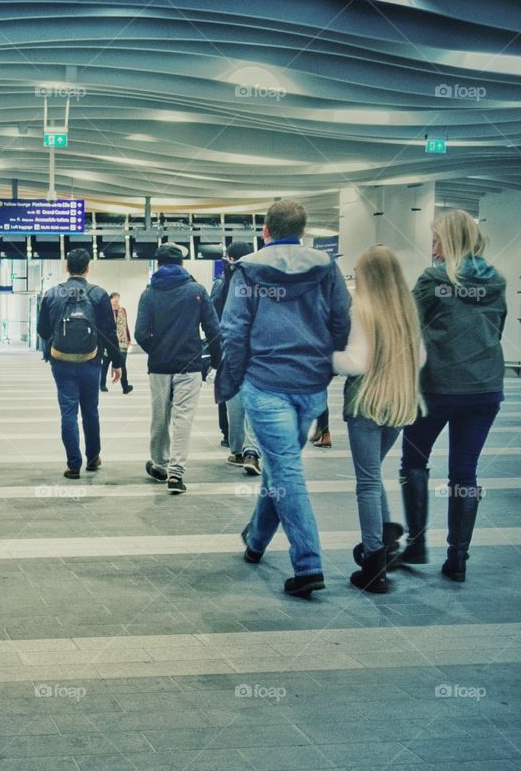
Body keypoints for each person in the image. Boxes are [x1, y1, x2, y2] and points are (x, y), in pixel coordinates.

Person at [216, 199, 351, 599]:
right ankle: (256, 540)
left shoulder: (248, 268)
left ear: (266, 230)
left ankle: (308, 564)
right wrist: (325, 364)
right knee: (280, 467)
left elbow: (234, 328)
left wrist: (234, 380)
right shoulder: (326, 267)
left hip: (267, 384)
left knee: (287, 472)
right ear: (304, 230)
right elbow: (342, 320)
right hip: (311, 387)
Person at [398, 209, 507, 582]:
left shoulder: (433, 278)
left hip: (438, 388)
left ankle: (415, 543)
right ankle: (457, 556)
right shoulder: (496, 281)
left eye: (436, 240)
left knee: (413, 460)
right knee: (465, 472)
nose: (433, 247)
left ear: (449, 240)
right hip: (485, 388)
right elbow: (498, 328)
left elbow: (407, 324)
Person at [333, 247, 424, 593]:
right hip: (396, 405)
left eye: (357, 272)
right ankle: (387, 539)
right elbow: (421, 357)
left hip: (367, 406)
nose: (354, 279)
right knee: (375, 476)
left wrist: (329, 357)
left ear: (369, 276)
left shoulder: (362, 310)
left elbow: (355, 362)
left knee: (367, 483)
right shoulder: (407, 312)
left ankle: (373, 564)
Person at [135, 244, 221, 494]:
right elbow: (214, 331)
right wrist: (215, 361)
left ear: (158, 265)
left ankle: (160, 464)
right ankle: (176, 474)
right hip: (190, 366)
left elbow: (141, 333)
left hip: (159, 368)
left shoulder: (149, 293)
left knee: (160, 417)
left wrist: (158, 351)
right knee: (183, 419)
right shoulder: (197, 290)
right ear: (183, 264)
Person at [38, 249, 122, 479]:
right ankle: (93, 458)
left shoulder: (52, 294)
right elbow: (109, 332)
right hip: (91, 361)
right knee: (90, 410)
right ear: (87, 268)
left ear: (67, 268)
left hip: (61, 361)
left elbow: (42, 330)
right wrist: (117, 361)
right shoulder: (98, 294)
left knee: (68, 411)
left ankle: (73, 464)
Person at [211, 243, 253, 449]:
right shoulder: (257, 281)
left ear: (230, 258)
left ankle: (229, 436)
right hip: (254, 346)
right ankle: (250, 445)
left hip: (227, 343)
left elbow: (213, 314)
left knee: (225, 387)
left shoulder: (221, 283)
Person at [100, 293, 134, 394]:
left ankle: (125, 386)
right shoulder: (105, 311)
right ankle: (102, 384)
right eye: (115, 298)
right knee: (105, 365)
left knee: (122, 365)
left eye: (118, 299)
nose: (117, 300)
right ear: (110, 300)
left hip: (122, 342)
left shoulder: (122, 310)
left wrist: (128, 338)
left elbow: (125, 324)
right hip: (108, 342)